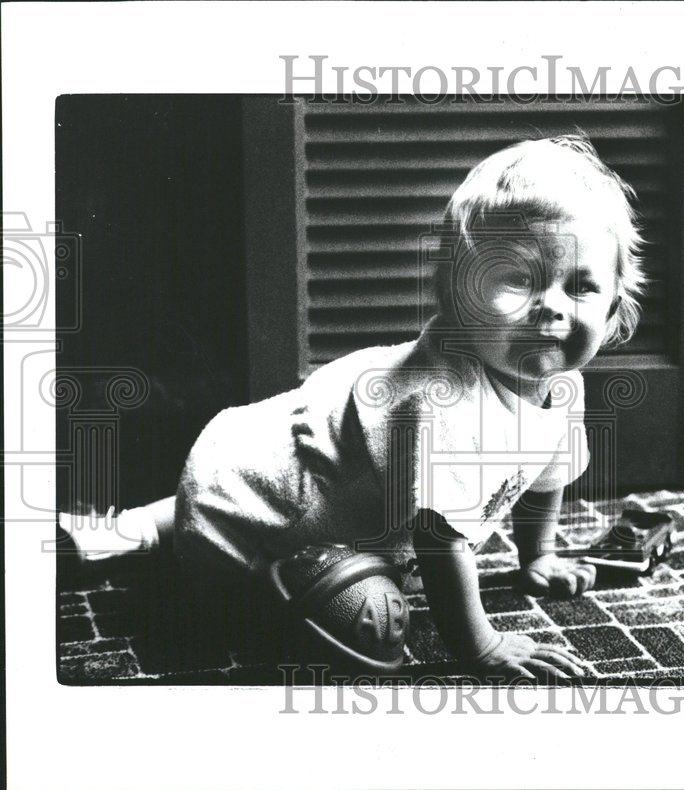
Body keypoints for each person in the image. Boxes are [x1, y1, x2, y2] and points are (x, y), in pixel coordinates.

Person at [59, 135, 646, 680]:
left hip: (310, 474)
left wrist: (537, 555)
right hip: (257, 495)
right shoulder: (441, 403)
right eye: (517, 280)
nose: (552, 308)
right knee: (334, 608)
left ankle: (133, 528)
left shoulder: (556, 381)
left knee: (320, 511)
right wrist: (481, 645)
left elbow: (542, 480)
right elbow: (441, 540)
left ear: (617, 306)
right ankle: (149, 540)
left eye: (580, 286)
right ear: (455, 294)